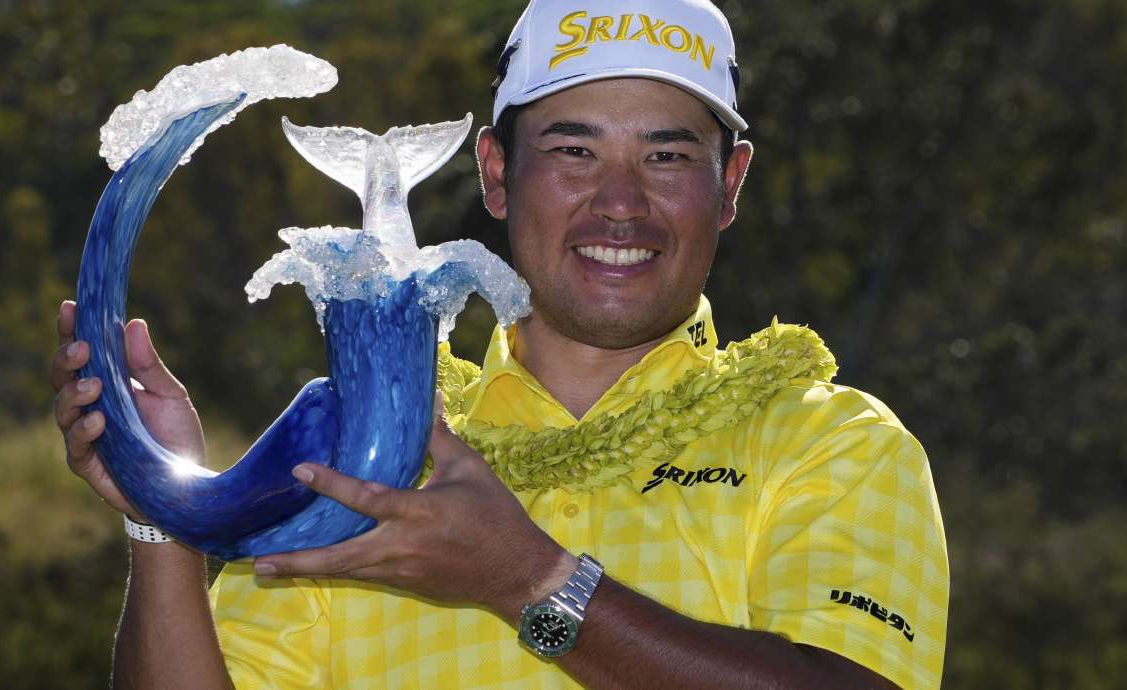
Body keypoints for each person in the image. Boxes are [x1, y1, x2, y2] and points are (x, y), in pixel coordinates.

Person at [51, 0, 949, 687]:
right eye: (574, 151)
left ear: (730, 185)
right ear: (494, 173)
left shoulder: (833, 443)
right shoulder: (368, 446)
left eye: (667, 156)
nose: (621, 205)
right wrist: (159, 509)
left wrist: (526, 579)